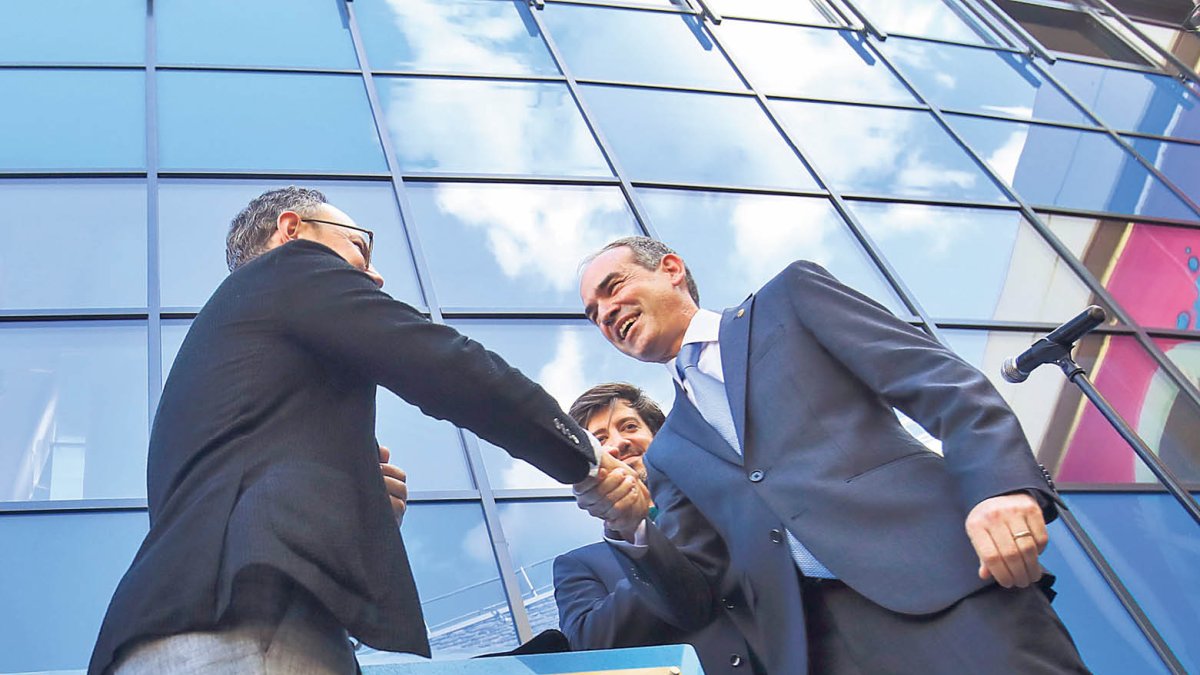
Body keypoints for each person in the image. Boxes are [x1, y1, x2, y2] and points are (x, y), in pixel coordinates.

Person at [88, 187, 613, 675]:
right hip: (245, 630)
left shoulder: (233, 361)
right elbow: (446, 365)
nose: (375, 274)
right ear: (292, 230)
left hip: (175, 635)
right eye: (360, 245)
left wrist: (352, 501)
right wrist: (586, 460)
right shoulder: (289, 269)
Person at [573, 236, 1089, 674]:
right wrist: (632, 530)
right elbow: (695, 589)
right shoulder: (668, 454)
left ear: (671, 270)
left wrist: (997, 486)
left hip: (944, 585)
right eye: (594, 314)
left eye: (613, 289)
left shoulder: (789, 301)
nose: (606, 313)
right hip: (824, 649)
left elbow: (942, 384)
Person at [554, 383, 759, 674]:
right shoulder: (579, 565)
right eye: (600, 439)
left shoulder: (725, 510)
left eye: (628, 426)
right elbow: (590, 644)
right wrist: (640, 540)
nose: (618, 443)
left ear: (657, 436)